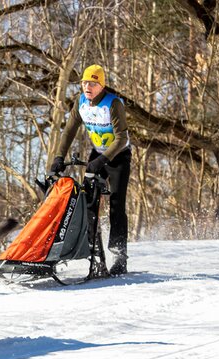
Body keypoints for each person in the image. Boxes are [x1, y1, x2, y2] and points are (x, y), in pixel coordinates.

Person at [50, 64, 131, 276]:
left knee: (116, 205)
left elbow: (121, 138)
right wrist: (59, 157)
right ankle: (92, 251)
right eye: (85, 83)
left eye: (93, 84)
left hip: (119, 156)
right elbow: (69, 131)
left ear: (101, 85)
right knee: (87, 203)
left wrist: (103, 159)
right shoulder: (81, 103)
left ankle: (119, 256)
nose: (88, 87)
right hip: (98, 154)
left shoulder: (113, 104)